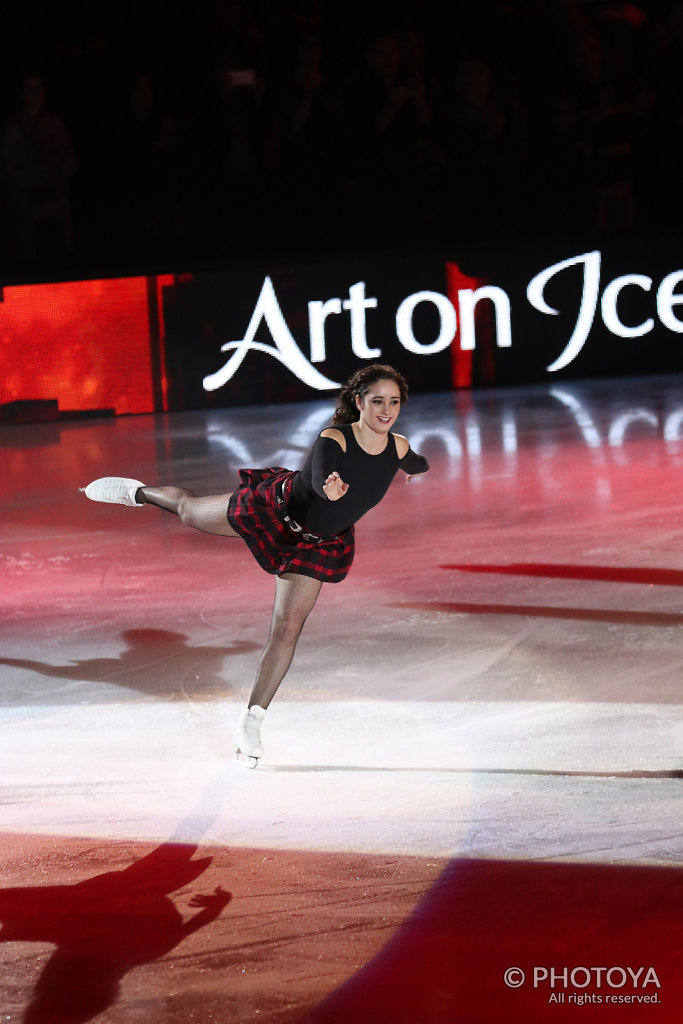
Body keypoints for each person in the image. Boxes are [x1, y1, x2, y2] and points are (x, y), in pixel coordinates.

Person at [81, 364, 429, 766]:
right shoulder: (334, 438)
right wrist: (329, 488)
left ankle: (251, 722)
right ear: (359, 402)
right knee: (190, 511)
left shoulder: (398, 447)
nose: (386, 410)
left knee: (286, 629)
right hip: (276, 513)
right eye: (377, 401)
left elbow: (416, 461)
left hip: (316, 545)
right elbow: (318, 478)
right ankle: (137, 492)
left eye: (394, 402)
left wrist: (416, 473)